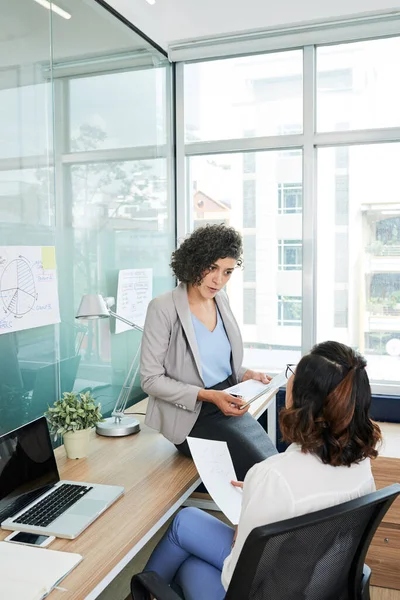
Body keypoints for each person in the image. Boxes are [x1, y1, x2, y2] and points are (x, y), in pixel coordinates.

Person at [142, 341, 382, 600]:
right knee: (187, 529)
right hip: (314, 584)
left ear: (301, 398)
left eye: (293, 374)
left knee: (189, 560)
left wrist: (249, 512)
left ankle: (143, 591)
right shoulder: (360, 463)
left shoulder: (273, 476)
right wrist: (261, 496)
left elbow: (234, 577)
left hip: (266, 590)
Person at [140, 224, 277, 481]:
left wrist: (246, 374)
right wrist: (208, 396)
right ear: (194, 262)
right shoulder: (162, 308)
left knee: (272, 465)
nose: (218, 280)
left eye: (227, 272)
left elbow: (216, 363)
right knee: (263, 473)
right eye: (212, 268)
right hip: (192, 416)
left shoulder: (220, 300)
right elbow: (150, 380)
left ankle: (263, 519)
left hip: (226, 400)